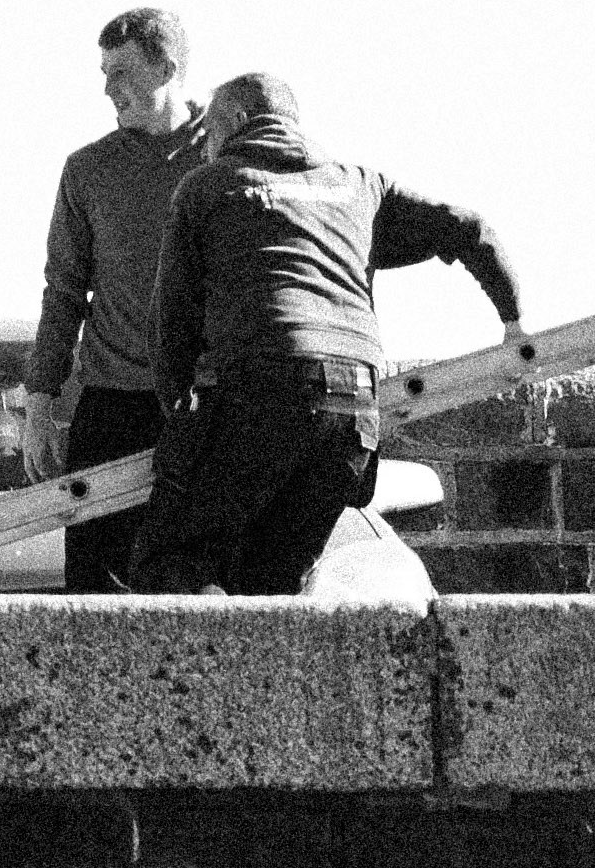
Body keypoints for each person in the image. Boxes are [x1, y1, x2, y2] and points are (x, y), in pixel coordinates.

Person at [139, 73, 519, 597]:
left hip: (265, 387)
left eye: (208, 139)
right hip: (353, 414)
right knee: (273, 580)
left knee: (167, 558)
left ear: (234, 121)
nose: (204, 150)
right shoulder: (358, 186)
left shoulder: (208, 187)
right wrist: (513, 318)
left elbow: (173, 313)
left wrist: (177, 409)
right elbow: (467, 226)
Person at [13, 3, 203, 589]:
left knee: (198, 589)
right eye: (103, 74)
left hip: (203, 407)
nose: (106, 88)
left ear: (166, 66)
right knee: (97, 593)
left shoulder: (225, 156)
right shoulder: (88, 171)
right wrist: (42, 400)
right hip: (112, 407)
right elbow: (63, 292)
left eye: (120, 72)